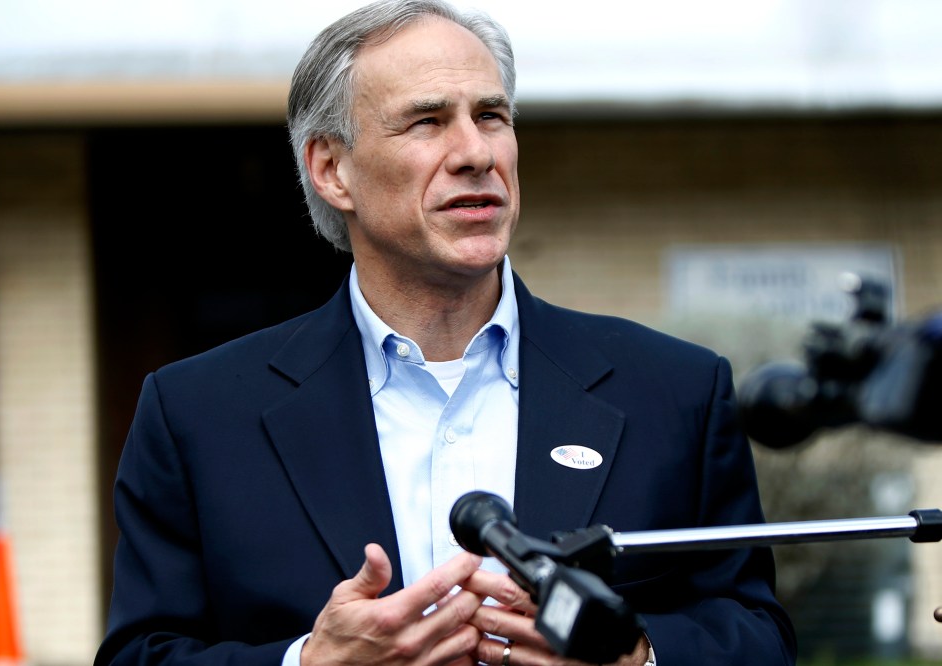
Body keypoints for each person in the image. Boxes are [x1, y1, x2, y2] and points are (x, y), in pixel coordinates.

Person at [95, 0, 797, 664]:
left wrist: (635, 655)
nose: (475, 152)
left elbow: (758, 636)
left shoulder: (676, 390)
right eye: (428, 122)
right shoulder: (198, 415)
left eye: (492, 116)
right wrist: (312, 661)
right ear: (332, 169)